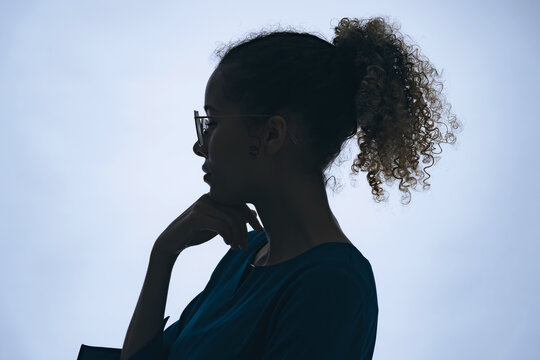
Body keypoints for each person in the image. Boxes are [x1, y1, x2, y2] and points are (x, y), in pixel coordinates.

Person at [77, 16, 461, 360]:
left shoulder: (332, 287)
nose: (200, 144)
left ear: (272, 134)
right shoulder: (244, 256)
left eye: (212, 122)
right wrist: (164, 253)